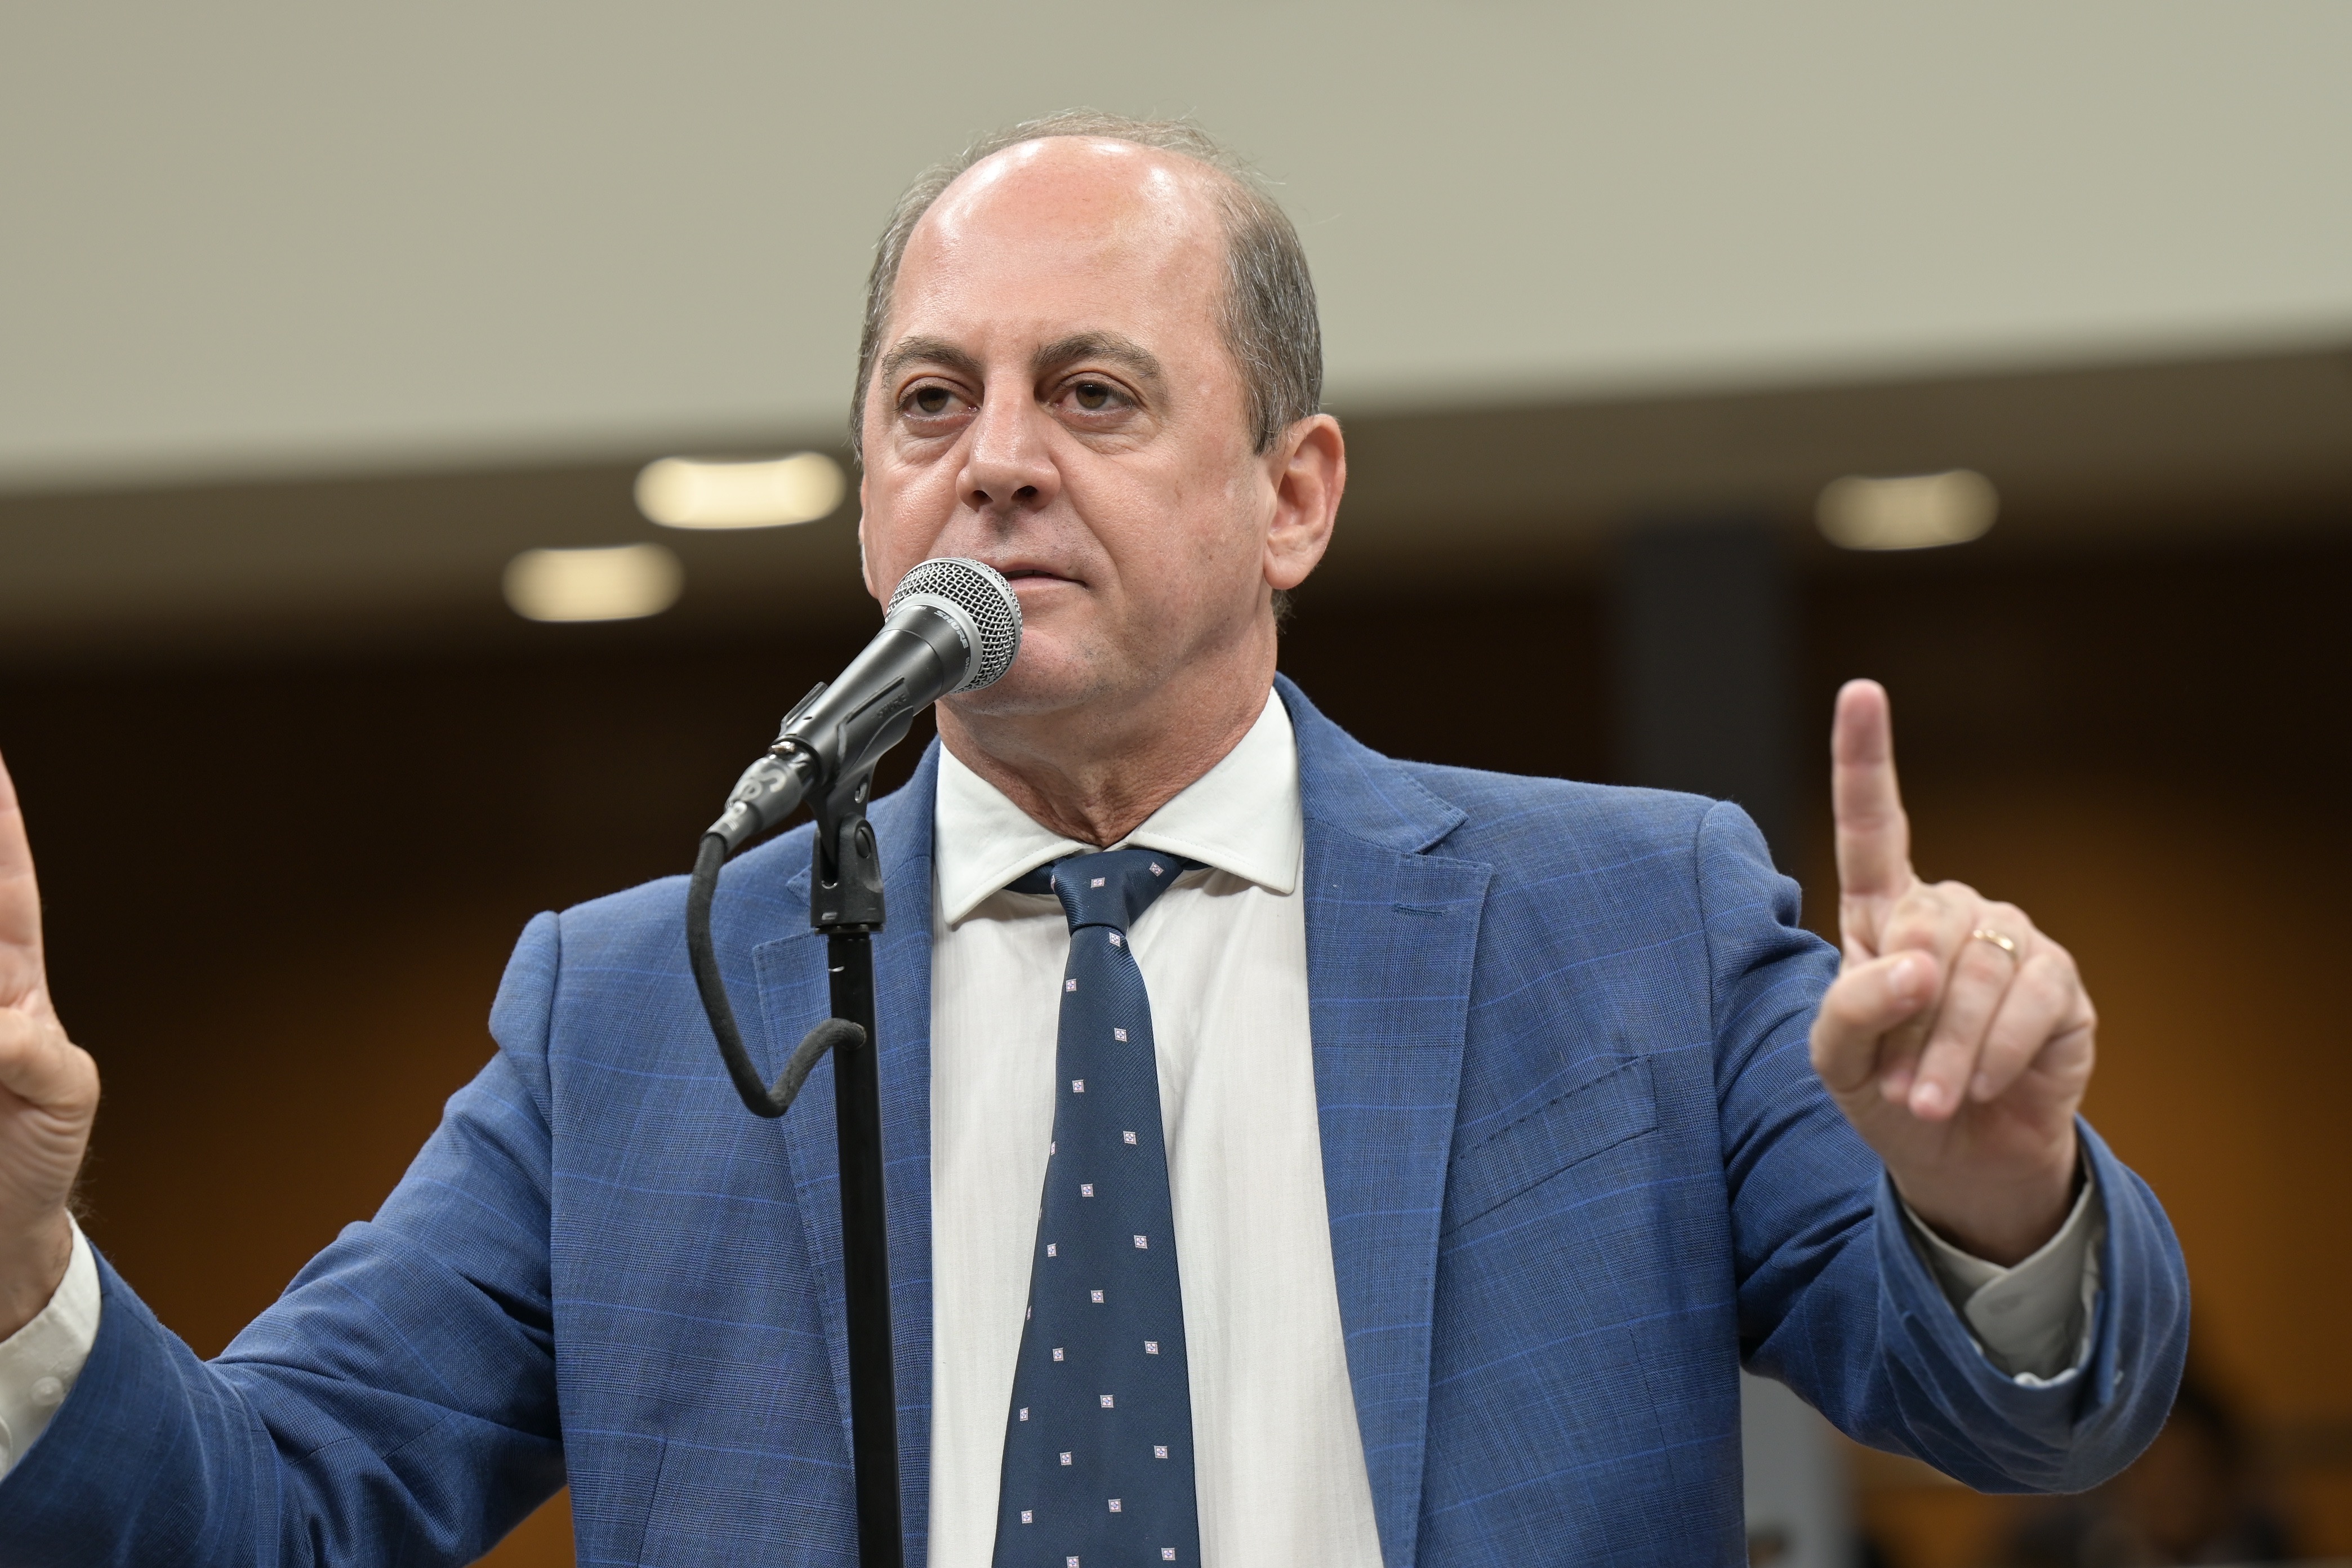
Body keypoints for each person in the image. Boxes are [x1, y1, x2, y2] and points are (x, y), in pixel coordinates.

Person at [0, 112, 2188, 1566]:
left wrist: (1996, 1192)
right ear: (872, 504)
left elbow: (2037, 1425)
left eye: (1096, 393)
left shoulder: (1629, 927)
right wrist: (20, 1282)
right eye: (930, 402)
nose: (997, 462)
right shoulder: (643, 1011)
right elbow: (272, 1515)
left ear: (1294, 495)